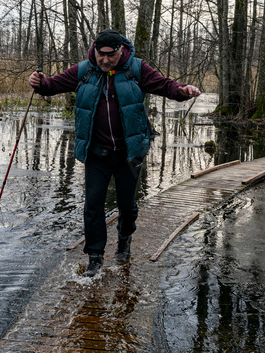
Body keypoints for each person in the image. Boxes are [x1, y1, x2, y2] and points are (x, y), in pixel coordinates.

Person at [29, 29, 201, 277]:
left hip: (129, 153)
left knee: (127, 205)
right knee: (93, 205)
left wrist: (182, 91)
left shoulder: (137, 69)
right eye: (101, 55)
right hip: (96, 152)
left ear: (121, 50)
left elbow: (165, 86)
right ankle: (95, 259)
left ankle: (124, 239)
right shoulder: (84, 71)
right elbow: (52, 85)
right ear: (95, 50)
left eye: (111, 55)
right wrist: (39, 83)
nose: (105, 60)